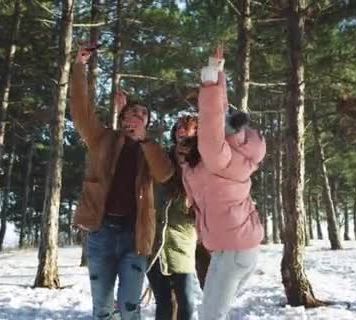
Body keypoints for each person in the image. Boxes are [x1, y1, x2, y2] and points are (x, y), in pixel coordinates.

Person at [70, 45, 175, 320]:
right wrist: (80, 66)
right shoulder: (101, 138)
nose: (137, 116)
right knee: (102, 310)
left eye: (143, 114)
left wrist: (144, 141)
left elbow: (165, 174)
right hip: (100, 235)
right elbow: (81, 110)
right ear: (122, 117)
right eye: (133, 112)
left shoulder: (151, 149)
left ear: (147, 123)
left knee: (130, 308)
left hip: (135, 237)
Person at [179, 46, 266, 320]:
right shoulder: (226, 154)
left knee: (210, 316)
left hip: (234, 248)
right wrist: (216, 69)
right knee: (212, 312)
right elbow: (220, 110)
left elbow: (215, 115)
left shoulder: (222, 156)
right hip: (228, 247)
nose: (208, 124)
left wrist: (211, 79)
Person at [147, 115, 199, 320]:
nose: (182, 131)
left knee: (186, 299)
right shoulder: (162, 158)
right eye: (178, 128)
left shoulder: (201, 164)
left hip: (183, 238)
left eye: (188, 128)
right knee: (164, 301)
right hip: (155, 239)